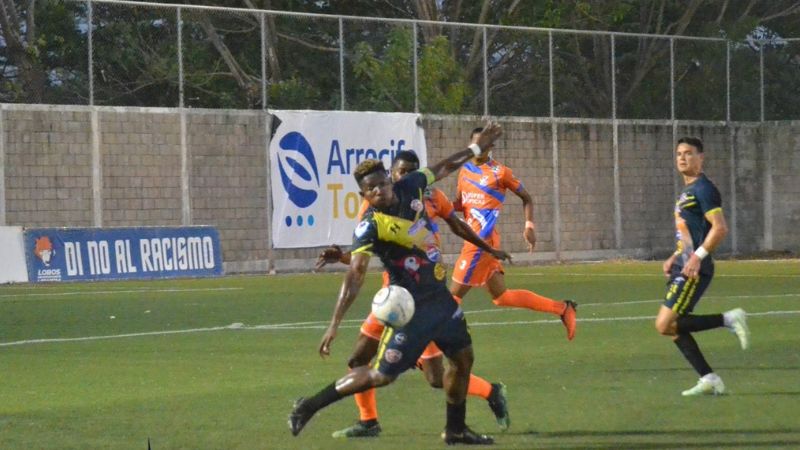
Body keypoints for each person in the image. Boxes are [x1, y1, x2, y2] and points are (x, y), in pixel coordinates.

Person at [289, 122, 503, 445]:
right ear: (363, 195)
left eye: (380, 184)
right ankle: (309, 405)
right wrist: (334, 323)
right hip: (412, 311)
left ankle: (455, 429)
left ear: (390, 179)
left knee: (463, 358)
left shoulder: (413, 186)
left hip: (441, 301)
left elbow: (445, 166)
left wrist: (476, 149)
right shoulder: (369, 227)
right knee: (381, 375)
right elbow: (356, 274)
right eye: (369, 190)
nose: (377, 192)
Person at [450, 127, 577, 340]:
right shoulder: (464, 172)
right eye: (475, 144)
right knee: (501, 296)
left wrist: (529, 225)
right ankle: (563, 309)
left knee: (450, 299)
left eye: (484, 144)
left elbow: (526, 198)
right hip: (477, 240)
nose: (479, 148)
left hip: (482, 243)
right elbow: (461, 206)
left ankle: (431, 350)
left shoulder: (500, 172)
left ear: (491, 146)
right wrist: (435, 206)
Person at [654, 137, 750, 396]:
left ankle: (728, 319)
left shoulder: (704, 189)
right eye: (679, 154)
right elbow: (688, 233)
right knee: (672, 326)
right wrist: (675, 256)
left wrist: (696, 257)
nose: (682, 158)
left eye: (688, 153)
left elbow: (720, 228)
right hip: (683, 264)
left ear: (701, 157)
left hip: (694, 268)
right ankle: (709, 378)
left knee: (665, 324)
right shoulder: (687, 191)